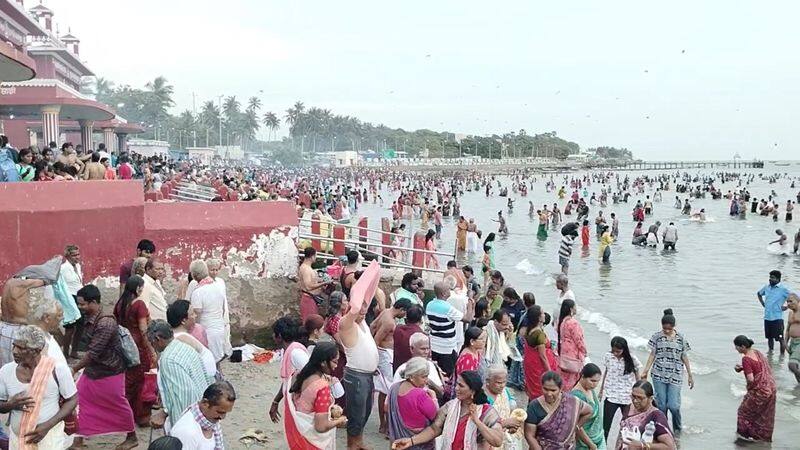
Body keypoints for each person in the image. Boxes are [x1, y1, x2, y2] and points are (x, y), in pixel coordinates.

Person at [71, 284, 138, 450]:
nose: (80, 307)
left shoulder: (106, 323)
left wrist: (73, 368)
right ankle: (78, 439)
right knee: (79, 399)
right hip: (94, 370)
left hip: (111, 371)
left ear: (93, 302)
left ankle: (132, 437)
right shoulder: (91, 318)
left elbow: (92, 352)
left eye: (82, 304)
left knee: (118, 404)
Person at [0, 325, 77, 449]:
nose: (14, 351)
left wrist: (47, 426)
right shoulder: (6, 371)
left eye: (21, 348)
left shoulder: (57, 370)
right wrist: (10, 405)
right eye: (14, 346)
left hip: (49, 439)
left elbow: (72, 399)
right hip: (17, 442)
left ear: (36, 350)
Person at [391, 370, 504, 450]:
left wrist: (477, 422)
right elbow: (434, 429)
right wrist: (410, 441)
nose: (456, 388)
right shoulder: (450, 407)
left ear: (473, 392)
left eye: (461, 386)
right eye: (457, 385)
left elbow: (497, 441)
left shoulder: (487, 413)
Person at [148, 320, 210, 430]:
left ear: (158, 339)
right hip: (203, 408)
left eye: (152, 343)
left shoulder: (168, 359)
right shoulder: (185, 347)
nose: (153, 347)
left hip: (189, 418)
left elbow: (183, 396)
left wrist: (164, 413)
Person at [283, 342, 347, 449]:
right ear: (323, 363)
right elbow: (320, 427)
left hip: (299, 431)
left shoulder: (300, 375)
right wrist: (340, 420)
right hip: (311, 438)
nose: (336, 366)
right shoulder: (322, 388)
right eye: (334, 362)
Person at [114, 275, 157, 427]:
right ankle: (141, 416)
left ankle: (125, 414)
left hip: (124, 344)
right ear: (138, 288)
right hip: (138, 346)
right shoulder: (139, 305)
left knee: (128, 381)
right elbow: (143, 330)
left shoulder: (120, 304)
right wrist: (151, 350)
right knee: (141, 382)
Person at [642, 309, 693, 432]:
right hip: (659, 374)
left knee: (674, 406)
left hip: (675, 375)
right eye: (664, 328)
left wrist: (690, 375)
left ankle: (677, 429)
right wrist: (646, 370)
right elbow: (652, 355)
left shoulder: (681, 338)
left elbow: (684, 356)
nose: (666, 331)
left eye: (669, 329)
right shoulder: (657, 337)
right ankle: (663, 429)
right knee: (662, 406)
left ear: (674, 327)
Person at [340, 296, 380, 450]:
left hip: (367, 375)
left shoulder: (362, 322)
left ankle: (359, 443)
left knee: (365, 412)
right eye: (360, 306)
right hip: (356, 376)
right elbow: (352, 313)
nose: (363, 309)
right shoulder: (346, 324)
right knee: (356, 414)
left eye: (365, 305)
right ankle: (352, 446)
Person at [371, 298, 412, 435]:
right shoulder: (389, 322)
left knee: (384, 390)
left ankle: (384, 424)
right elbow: (376, 340)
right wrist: (374, 361)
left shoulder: (385, 312)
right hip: (384, 355)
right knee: (389, 390)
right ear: (402, 310)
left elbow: (372, 325)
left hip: (384, 354)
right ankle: (387, 425)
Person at [524, 371, 593, 450]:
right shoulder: (534, 406)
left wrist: (575, 428)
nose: (549, 394)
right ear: (541, 387)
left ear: (560, 389)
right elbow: (529, 435)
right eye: (545, 389)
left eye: (553, 390)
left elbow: (589, 411)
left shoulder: (572, 402)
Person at [387, 357, 439, 449]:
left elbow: (386, 408)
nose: (427, 380)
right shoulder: (420, 394)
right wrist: (434, 397)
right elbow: (435, 416)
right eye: (423, 377)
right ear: (411, 376)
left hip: (398, 438)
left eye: (427, 376)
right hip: (418, 441)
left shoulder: (394, 388)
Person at [426, 281, 475, 378]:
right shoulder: (448, 309)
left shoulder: (429, 305)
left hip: (434, 344)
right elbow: (468, 319)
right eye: (449, 290)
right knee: (449, 374)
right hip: (447, 347)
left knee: (436, 372)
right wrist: (470, 302)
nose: (450, 291)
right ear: (444, 293)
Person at [732, 335, 774, 443]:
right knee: (763, 414)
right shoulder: (757, 353)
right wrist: (743, 368)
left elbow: (750, 379)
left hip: (759, 392)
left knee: (743, 412)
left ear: (742, 346)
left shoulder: (746, 359)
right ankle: (762, 438)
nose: (735, 349)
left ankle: (744, 438)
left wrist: (745, 370)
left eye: (736, 347)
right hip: (770, 389)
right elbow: (760, 368)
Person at [269, 316, 311, 425]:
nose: (272, 336)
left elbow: (312, 373)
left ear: (280, 336)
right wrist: (276, 401)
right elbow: (286, 381)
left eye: (274, 334)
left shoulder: (295, 353)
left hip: (303, 404)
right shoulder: (287, 351)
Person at [170, 381, 236, 450]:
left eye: (225, 413)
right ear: (205, 403)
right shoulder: (187, 432)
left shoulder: (210, 421)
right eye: (220, 412)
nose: (222, 417)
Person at [189, 260, 231, 364]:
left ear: (194, 275)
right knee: (217, 360)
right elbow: (223, 309)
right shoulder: (218, 287)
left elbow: (196, 314)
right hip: (219, 328)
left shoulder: (198, 292)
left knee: (207, 361)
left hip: (206, 330)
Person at [600, 336, 642, 438]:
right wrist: (601, 390)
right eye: (614, 351)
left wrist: (640, 393)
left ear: (624, 350)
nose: (615, 353)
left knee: (626, 425)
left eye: (618, 351)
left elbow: (637, 376)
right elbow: (606, 372)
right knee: (606, 426)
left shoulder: (632, 359)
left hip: (626, 397)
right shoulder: (608, 356)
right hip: (611, 395)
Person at [615, 380, 676, 450]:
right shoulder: (628, 408)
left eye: (640, 398)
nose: (635, 401)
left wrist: (642, 445)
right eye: (633, 396)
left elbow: (670, 447)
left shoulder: (656, 416)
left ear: (651, 398)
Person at [167, 300, 218, 383]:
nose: (195, 315)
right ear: (183, 320)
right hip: (202, 379)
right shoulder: (182, 338)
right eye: (192, 314)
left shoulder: (181, 336)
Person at [483, 365, 525, 450]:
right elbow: (481, 427)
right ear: (488, 381)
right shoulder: (483, 398)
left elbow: (512, 409)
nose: (502, 385)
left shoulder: (505, 391)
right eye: (498, 383)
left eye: (504, 382)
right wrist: (505, 423)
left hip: (505, 437)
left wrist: (514, 426)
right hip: (490, 441)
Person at [56, 245, 84, 358]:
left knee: (81, 325)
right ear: (67, 256)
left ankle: (75, 351)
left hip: (79, 296)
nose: (77, 257)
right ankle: (66, 353)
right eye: (74, 255)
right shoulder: (63, 268)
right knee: (70, 327)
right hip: (69, 298)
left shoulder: (78, 266)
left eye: (78, 254)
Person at [446, 326, 487, 399]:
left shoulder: (476, 352)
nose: (484, 341)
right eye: (481, 339)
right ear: (472, 342)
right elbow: (466, 383)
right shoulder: (468, 359)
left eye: (484, 339)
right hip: (465, 395)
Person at [572, 364, 605, 450]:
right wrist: (590, 444)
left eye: (598, 381)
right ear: (582, 376)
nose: (595, 384)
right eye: (592, 381)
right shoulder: (576, 396)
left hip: (598, 437)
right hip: (584, 442)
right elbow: (577, 425)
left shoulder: (590, 390)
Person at [756, 270, 790, 354]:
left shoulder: (783, 289)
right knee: (769, 338)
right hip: (767, 317)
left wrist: (787, 306)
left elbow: (795, 298)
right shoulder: (767, 287)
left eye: (773, 278)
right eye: (770, 277)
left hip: (777, 318)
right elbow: (759, 294)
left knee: (780, 339)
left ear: (778, 279)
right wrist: (763, 303)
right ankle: (770, 355)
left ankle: (782, 357)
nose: (770, 279)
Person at [557, 299, 586, 391]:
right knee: (572, 380)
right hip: (573, 355)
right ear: (571, 309)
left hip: (564, 353)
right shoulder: (573, 323)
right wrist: (584, 350)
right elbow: (579, 340)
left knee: (564, 378)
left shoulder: (562, 322)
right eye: (575, 307)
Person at [299, 248, 333, 321]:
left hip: (311, 299)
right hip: (308, 299)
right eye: (316, 255)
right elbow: (309, 286)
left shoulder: (305, 267)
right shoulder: (306, 269)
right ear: (312, 256)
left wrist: (320, 280)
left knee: (311, 322)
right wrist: (324, 283)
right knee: (310, 323)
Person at [393, 305, 425, 371]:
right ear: (421, 319)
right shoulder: (421, 336)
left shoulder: (398, 329)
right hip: (412, 370)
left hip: (397, 368)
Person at [786, 292, 800, 383]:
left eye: (791, 301)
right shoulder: (790, 313)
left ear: (798, 301)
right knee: (796, 367)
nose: (788, 304)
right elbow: (787, 330)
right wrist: (785, 343)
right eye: (787, 302)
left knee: (792, 365)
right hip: (792, 342)